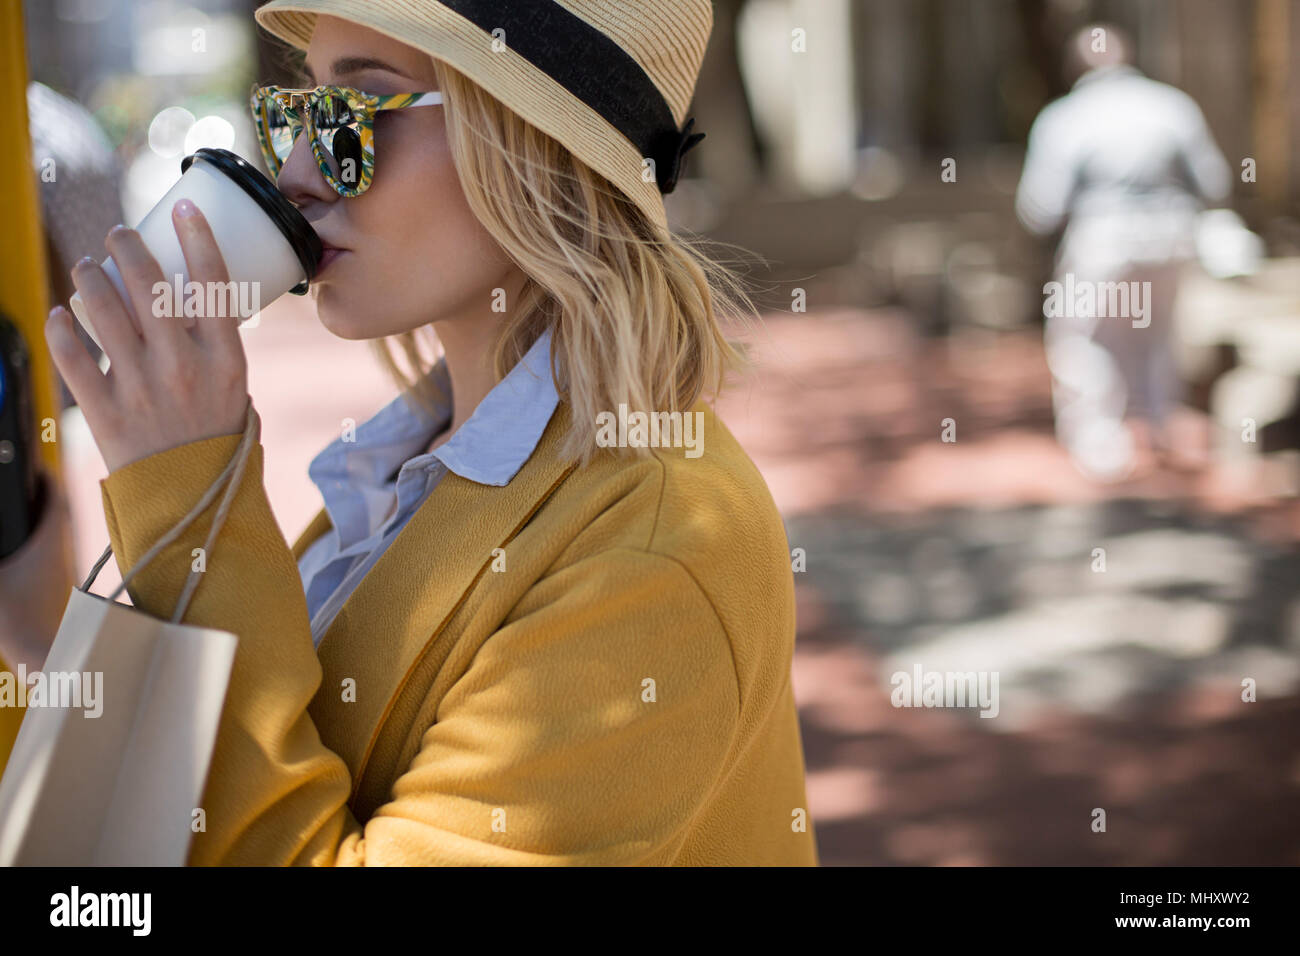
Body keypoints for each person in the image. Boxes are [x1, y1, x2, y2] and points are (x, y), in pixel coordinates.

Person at [43, 0, 818, 866]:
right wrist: (46, 623)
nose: (298, 171)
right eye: (295, 112)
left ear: (531, 140)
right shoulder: (413, 461)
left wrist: (189, 494)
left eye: (354, 113)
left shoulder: (653, 546)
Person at [1015, 23, 1231, 481]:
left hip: (1102, 242)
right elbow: (1215, 181)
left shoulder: (1065, 117)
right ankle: (1158, 428)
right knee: (1156, 335)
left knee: (1085, 340)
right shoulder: (1172, 105)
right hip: (1173, 238)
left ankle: (1100, 446)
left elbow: (1039, 208)